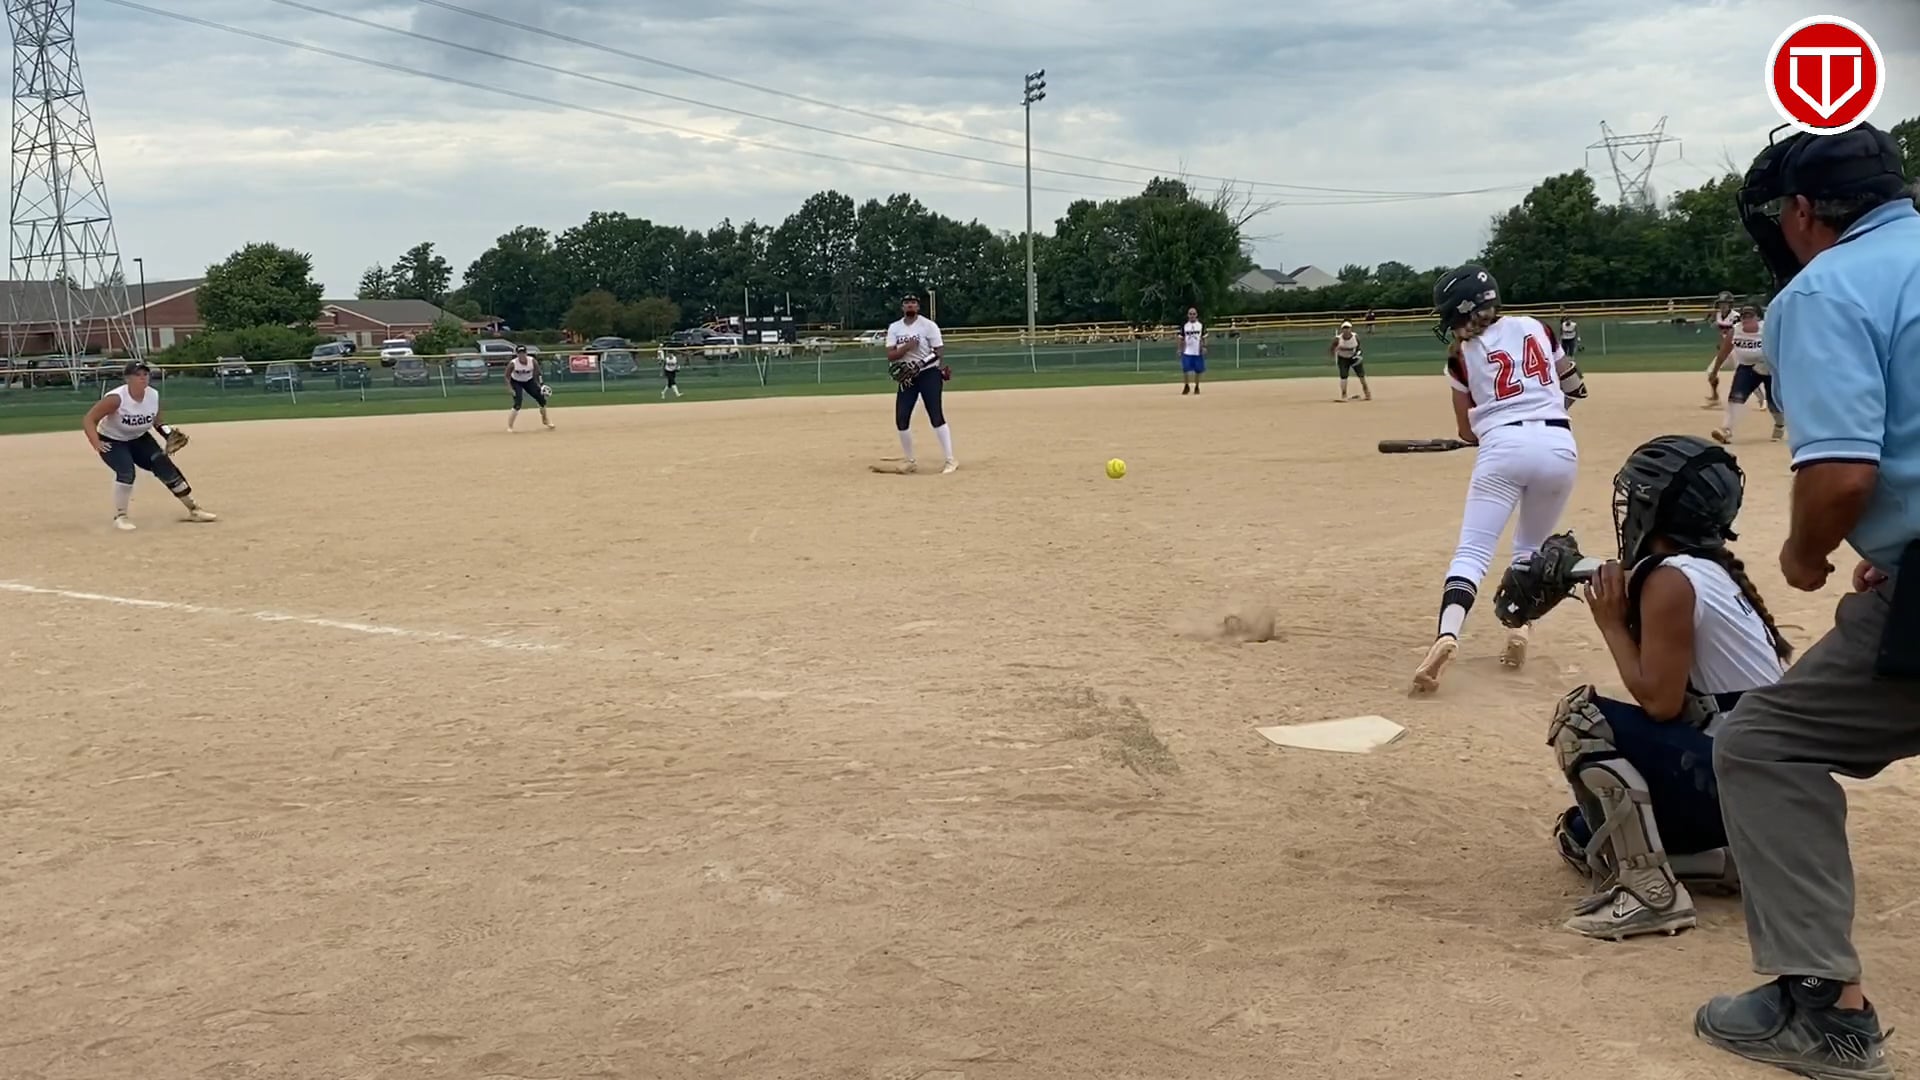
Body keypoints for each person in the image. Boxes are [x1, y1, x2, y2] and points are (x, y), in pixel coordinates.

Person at [1693, 122, 1919, 1080]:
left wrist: (1804, 553)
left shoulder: (1826, 288)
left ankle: (1824, 1011)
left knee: (1763, 741)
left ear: (1799, 212)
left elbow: (1840, 476)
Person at [1546, 435, 1788, 941]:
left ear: (1651, 509)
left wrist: (1612, 624)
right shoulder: (1708, 571)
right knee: (1583, 832)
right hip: (1773, 797)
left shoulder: (1671, 581)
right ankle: (1729, 859)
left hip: (1745, 788)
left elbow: (1660, 702)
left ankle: (1649, 895)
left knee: (1581, 718)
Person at [1413, 265, 1586, 691]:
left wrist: (1490, 432)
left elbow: (1465, 430)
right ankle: (1519, 630)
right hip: (1560, 446)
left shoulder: (1460, 355)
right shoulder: (1537, 328)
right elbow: (1575, 386)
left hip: (1503, 448)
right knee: (1529, 550)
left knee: (1473, 552)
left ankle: (1447, 635)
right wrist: (1544, 410)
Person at [82, 361, 217, 530]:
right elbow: (89, 419)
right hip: (113, 440)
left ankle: (194, 509)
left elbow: (157, 422)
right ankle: (121, 516)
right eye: (137, 374)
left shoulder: (153, 395)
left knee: (164, 465)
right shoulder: (116, 398)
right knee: (126, 471)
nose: (143, 378)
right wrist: (96, 442)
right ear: (127, 378)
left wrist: (168, 434)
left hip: (139, 438)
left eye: (145, 374)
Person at [883, 293, 954, 474]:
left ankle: (950, 459)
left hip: (929, 373)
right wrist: (907, 347)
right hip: (907, 376)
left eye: (913, 303)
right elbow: (891, 355)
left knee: (935, 415)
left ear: (918, 307)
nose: (910, 305)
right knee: (901, 418)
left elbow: (938, 351)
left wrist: (920, 364)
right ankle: (910, 460)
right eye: (907, 303)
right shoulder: (895, 328)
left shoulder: (928, 325)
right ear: (902, 307)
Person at [1707, 305, 1783, 446]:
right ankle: (1726, 430)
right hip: (1746, 368)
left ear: (1758, 317)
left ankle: (1779, 425)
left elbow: (1782, 347)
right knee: (1735, 398)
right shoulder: (1735, 331)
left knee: (1773, 402)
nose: (1746, 319)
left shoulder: (1767, 330)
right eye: (1743, 316)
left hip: (1769, 368)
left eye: (1750, 316)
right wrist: (1715, 371)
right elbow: (1724, 352)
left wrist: (1771, 363)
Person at [505, 345, 553, 431]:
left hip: (529, 381)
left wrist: (541, 385)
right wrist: (510, 389)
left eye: (523, 353)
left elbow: (538, 373)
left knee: (541, 399)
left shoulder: (532, 361)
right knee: (518, 402)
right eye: (520, 353)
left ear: (526, 353)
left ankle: (545, 420)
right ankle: (510, 426)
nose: (522, 355)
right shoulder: (513, 363)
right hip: (516, 382)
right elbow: (507, 376)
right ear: (517, 354)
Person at [1703, 291, 1737, 408]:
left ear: (1730, 304)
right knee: (1711, 371)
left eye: (1725, 303)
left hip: (1736, 350)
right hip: (1725, 350)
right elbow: (1721, 331)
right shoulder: (1718, 315)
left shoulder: (1736, 316)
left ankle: (1762, 400)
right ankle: (1715, 396)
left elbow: (1739, 332)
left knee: (1744, 374)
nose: (1723, 305)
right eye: (1721, 303)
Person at [1329, 321, 1369, 401]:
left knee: (1361, 376)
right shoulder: (1338, 339)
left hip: (1354, 357)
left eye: (1348, 328)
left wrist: (1358, 355)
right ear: (1342, 330)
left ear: (1351, 329)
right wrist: (1333, 354)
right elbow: (1331, 348)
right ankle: (1344, 395)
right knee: (1343, 376)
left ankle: (1367, 393)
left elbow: (1359, 348)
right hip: (1343, 358)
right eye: (1344, 328)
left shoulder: (1355, 337)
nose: (1346, 330)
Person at [1178, 307, 1205, 394]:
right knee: (1185, 369)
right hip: (1187, 351)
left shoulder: (1200, 325)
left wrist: (1203, 347)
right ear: (1188, 315)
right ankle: (1186, 386)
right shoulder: (1185, 326)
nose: (1192, 315)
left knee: (1198, 370)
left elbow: (1203, 337)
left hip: (1197, 351)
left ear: (1196, 315)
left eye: (1194, 314)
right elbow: (1181, 338)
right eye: (1190, 314)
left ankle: (1197, 386)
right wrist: (1180, 349)